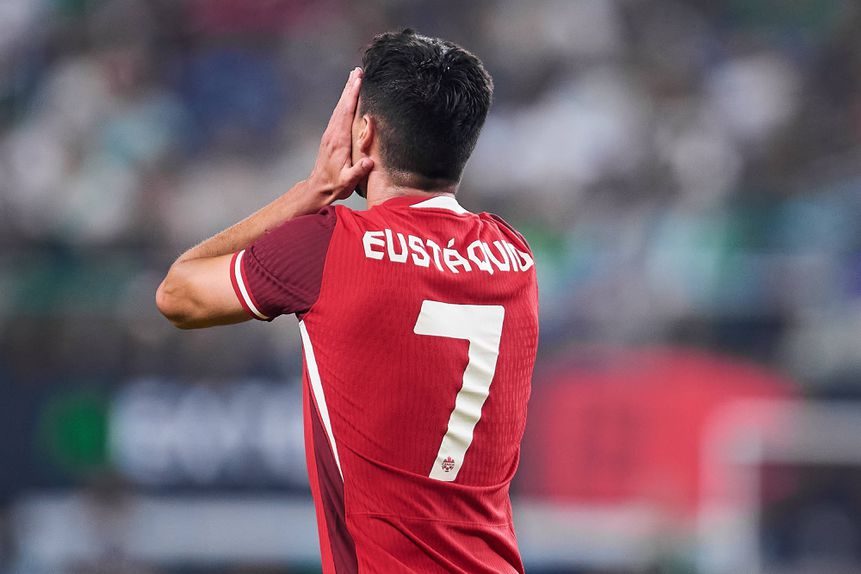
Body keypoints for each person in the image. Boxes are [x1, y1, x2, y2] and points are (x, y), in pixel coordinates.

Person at [156, 29, 538, 573]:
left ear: (365, 130)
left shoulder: (328, 244)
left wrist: (312, 188)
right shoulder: (514, 257)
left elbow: (177, 293)